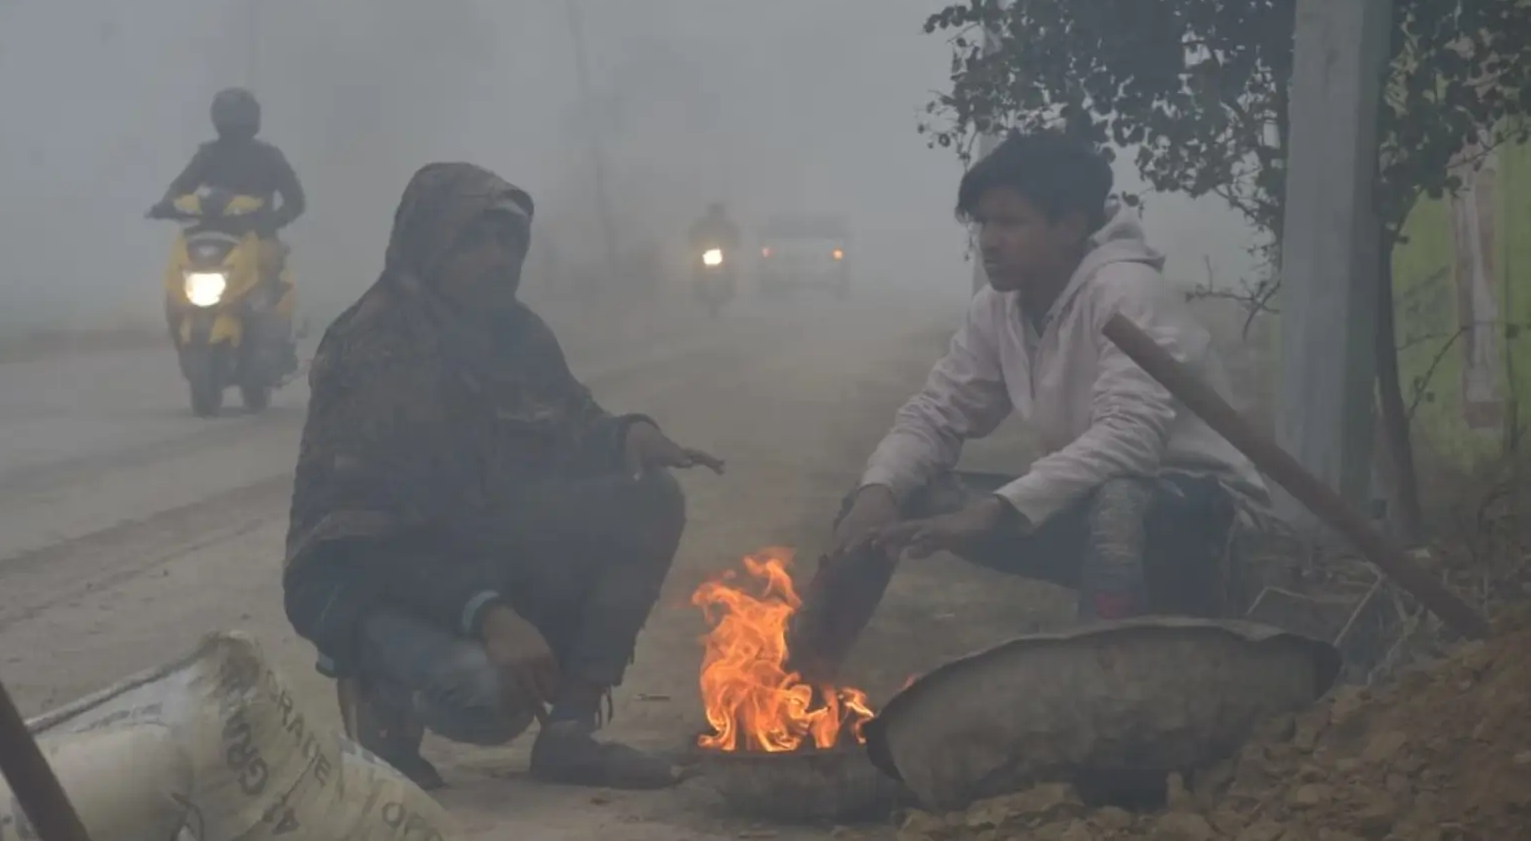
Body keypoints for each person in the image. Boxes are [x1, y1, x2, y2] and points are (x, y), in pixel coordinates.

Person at [282, 162, 723, 792]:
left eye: (508, 241)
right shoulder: (377, 344)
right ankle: (377, 694)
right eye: (474, 241)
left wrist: (627, 435)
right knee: (489, 699)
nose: (498, 259)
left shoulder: (516, 333)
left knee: (647, 498)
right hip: (365, 579)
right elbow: (376, 535)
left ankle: (570, 736)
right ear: (429, 247)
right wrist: (489, 614)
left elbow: (570, 422)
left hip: (477, 544)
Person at [832, 131, 1273, 627]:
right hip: (1088, 506)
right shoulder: (999, 307)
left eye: (1010, 222)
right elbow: (935, 414)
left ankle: (1102, 676)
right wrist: (879, 492)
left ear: (1070, 227)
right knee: (887, 493)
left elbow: (1130, 440)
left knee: (1120, 500)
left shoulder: (1127, 291)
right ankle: (803, 684)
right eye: (983, 223)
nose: (989, 241)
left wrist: (996, 511)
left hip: (1204, 521)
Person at [149, 88, 306, 291]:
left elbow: (296, 201)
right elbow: (181, 186)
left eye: (238, 116)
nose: (233, 122)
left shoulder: (268, 156)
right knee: (179, 266)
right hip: (210, 235)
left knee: (271, 271)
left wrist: (271, 222)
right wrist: (166, 206)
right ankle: (176, 304)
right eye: (228, 115)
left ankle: (267, 317)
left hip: (256, 236)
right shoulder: (208, 155)